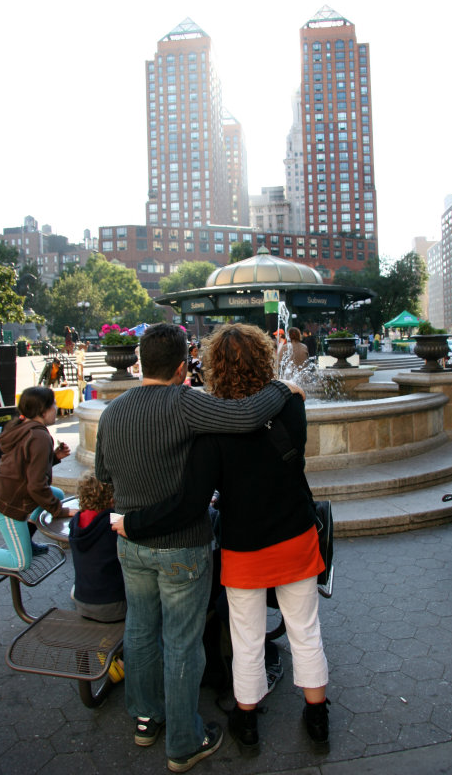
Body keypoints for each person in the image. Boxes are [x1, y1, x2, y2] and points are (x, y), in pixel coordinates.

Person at [113, 324, 329, 757]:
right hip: (294, 533)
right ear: (265, 358)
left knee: (245, 636)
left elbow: (193, 501)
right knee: (305, 629)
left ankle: (246, 721)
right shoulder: (292, 405)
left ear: (212, 366)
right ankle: (318, 718)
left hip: (243, 543)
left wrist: (134, 525)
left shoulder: (211, 426)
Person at [0, 387, 75, 570]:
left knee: (57, 493)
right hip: (7, 503)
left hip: (7, 490)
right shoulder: (39, 436)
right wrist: (59, 511)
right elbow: (36, 486)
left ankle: (27, 543)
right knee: (21, 562)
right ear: (43, 410)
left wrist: (53, 458)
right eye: (53, 404)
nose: (56, 407)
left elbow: (26, 466)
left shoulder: (25, 428)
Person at [69, 472, 126, 683]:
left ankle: (108, 647)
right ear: (111, 497)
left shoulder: (76, 523)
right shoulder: (114, 523)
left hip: (82, 601)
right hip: (114, 606)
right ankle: (116, 651)